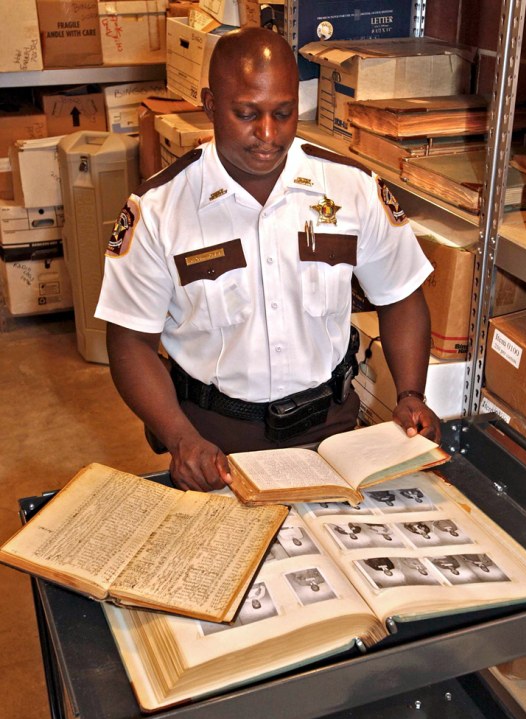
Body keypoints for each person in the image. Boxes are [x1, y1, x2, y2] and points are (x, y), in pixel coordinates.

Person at [95, 26, 441, 492]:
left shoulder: (351, 188)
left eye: (283, 113)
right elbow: (129, 342)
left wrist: (410, 394)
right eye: (246, 114)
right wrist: (181, 440)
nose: (268, 135)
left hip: (333, 437)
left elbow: (399, 295)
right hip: (214, 443)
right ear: (210, 103)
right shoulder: (158, 211)